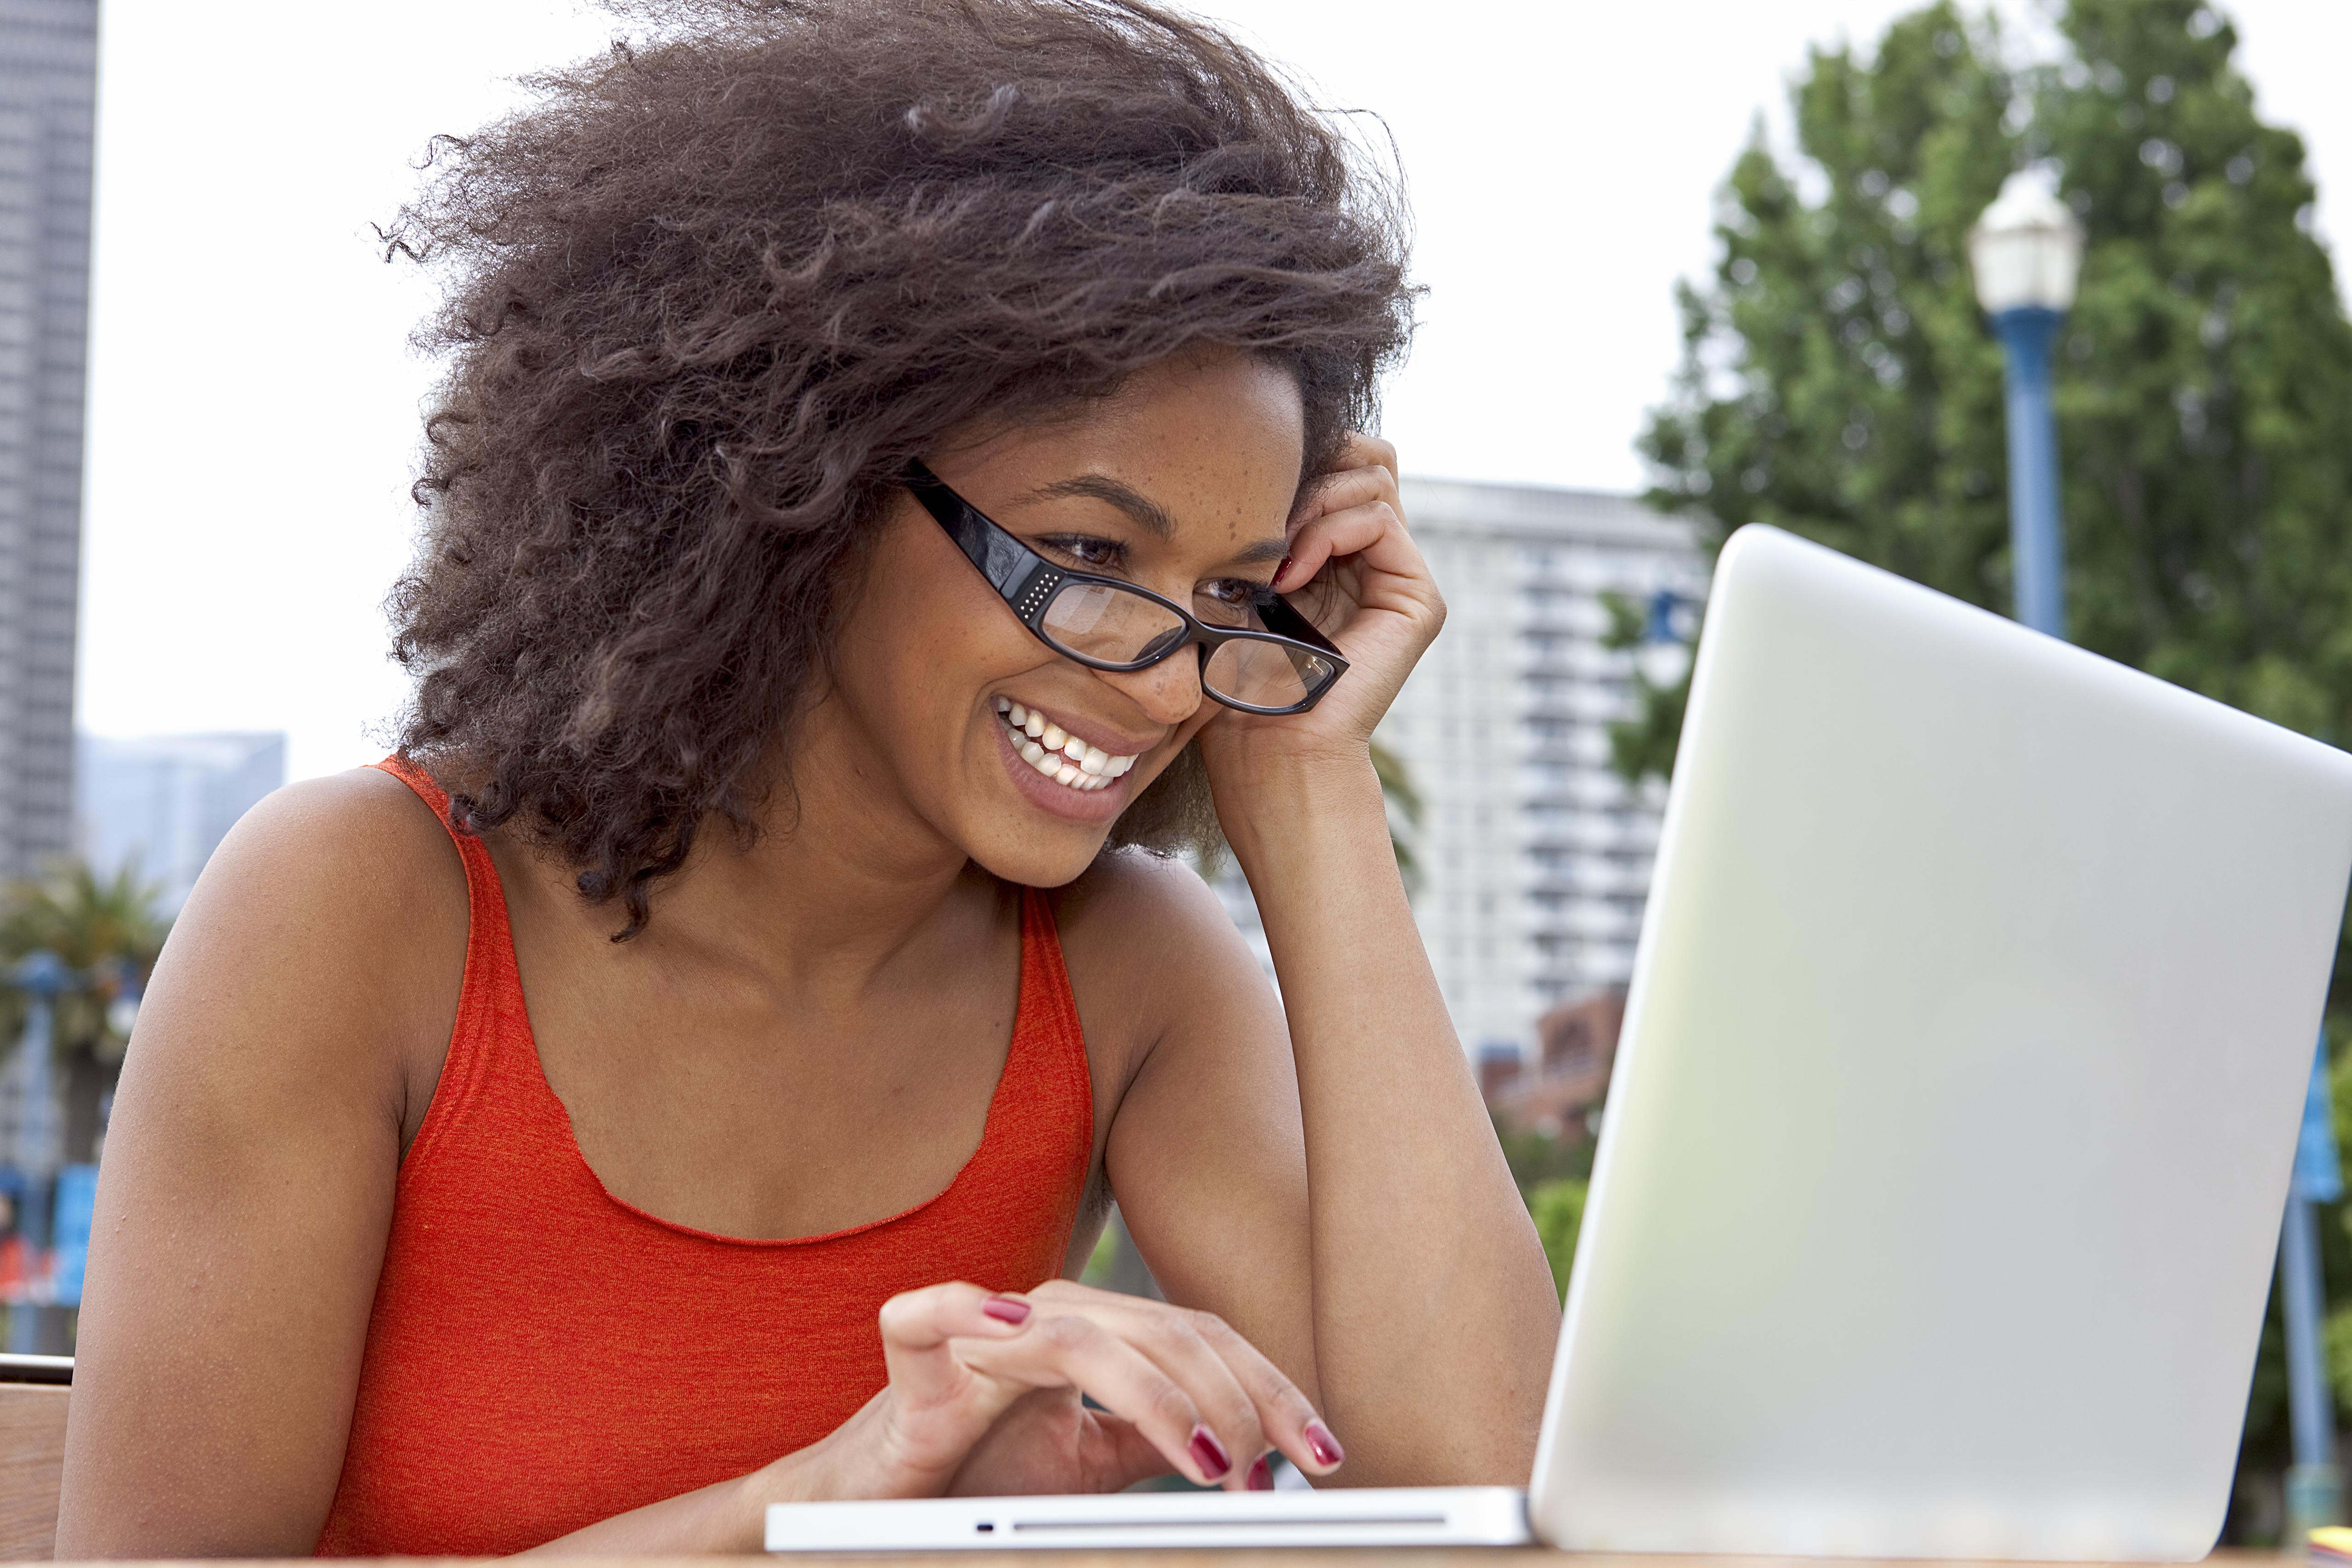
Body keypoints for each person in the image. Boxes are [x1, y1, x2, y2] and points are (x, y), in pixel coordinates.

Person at [55, 0, 1559, 1555]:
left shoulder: (1129, 975)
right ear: (807, 487)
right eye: (1091, 554)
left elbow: (1491, 1481)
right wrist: (812, 1504)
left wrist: (1306, 778)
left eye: (1233, 594)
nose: (1169, 673)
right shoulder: (356, 913)